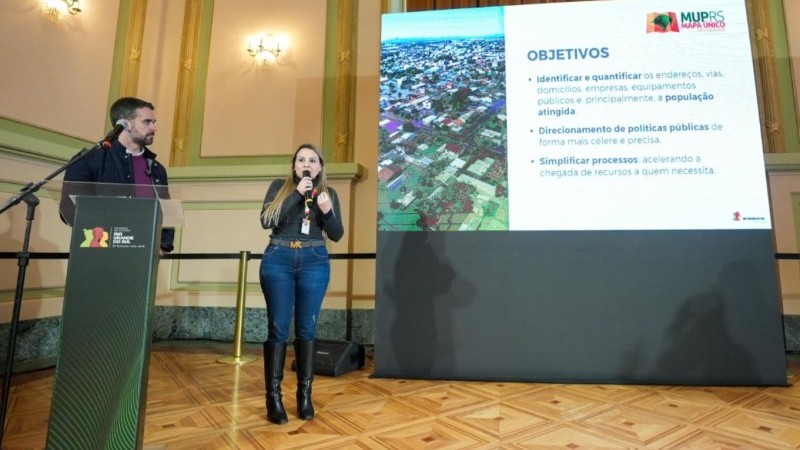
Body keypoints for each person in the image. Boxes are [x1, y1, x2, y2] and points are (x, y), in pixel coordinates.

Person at [259, 143, 344, 424]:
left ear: (320, 167)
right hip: (279, 258)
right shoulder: (279, 187)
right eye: (300, 160)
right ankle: (274, 398)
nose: (306, 164)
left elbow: (337, 235)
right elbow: (266, 219)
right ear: (294, 166)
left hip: (314, 259)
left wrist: (327, 211)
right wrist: (297, 194)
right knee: (278, 328)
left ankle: (304, 396)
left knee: (307, 328)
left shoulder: (328, 193)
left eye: (312, 160)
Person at [61, 97, 174, 255]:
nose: (154, 128)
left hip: (144, 255)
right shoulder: (89, 160)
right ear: (125, 124)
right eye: (147, 122)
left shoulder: (157, 169)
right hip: (97, 254)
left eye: (153, 122)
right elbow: (69, 209)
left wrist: (163, 246)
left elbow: (166, 211)